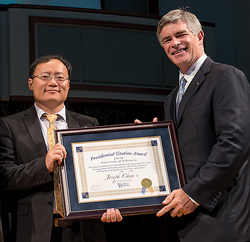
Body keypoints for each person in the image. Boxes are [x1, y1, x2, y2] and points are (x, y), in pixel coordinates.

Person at [110, 8, 250, 242]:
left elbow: (235, 142)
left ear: (200, 36)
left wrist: (193, 194)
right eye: (167, 40)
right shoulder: (172, 97)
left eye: (180, 35)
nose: (174, 43)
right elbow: (181, 150)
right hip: (184, 221)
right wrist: (151, 140)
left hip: (221, 218)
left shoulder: (225, 76)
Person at [0, 55, 108, 242]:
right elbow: (5, 175)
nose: (53, 82)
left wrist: (112, 203)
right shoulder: (10, 125)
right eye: (45, 77)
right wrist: (44, 164)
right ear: (30, 83)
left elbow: (102, 174)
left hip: (84, 230)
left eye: (59, 77)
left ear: (68, 84)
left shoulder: (89, 124)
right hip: (34, 228)